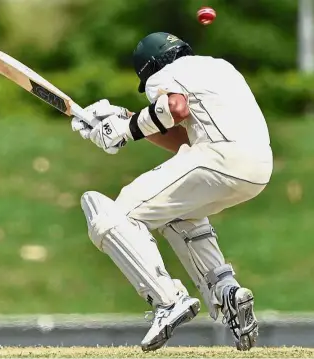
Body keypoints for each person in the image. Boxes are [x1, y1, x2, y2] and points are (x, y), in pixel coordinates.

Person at [71, 32, 273, 352]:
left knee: (114, 214)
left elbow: (174, 108)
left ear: (149, 68)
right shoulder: (219, 67)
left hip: (218, 157)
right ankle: (226, 291)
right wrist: (125, 120)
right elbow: (183, 139)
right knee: (175, 212)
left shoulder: (162, 76)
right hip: (257, 169)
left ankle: (167, 300)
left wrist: (126, 130)